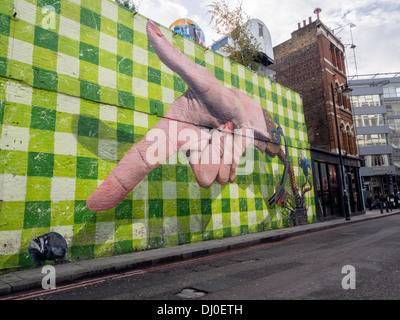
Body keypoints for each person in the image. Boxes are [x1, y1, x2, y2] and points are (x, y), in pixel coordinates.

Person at [86, 20, 301, 212]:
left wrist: (248, 124)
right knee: (206, 177)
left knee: (210, 175)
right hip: (239, 129)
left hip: (251, 129)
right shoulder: (218, 113)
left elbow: (247, 122)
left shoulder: (234, 109)